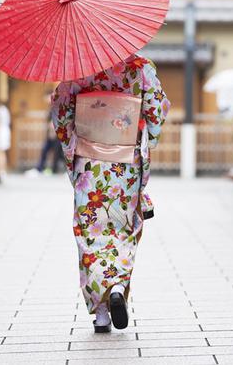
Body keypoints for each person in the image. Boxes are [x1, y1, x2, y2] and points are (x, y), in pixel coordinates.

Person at [51, 54, 170, 333]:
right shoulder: (141, 68)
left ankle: (101, 312)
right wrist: (143, 140)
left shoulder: (77, 68)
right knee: (122, 228)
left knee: (90, 232)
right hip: (125, 163)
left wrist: (75, 142)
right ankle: (117, 284)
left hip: (89, 165)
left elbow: (60, 112)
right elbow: (158, 111)